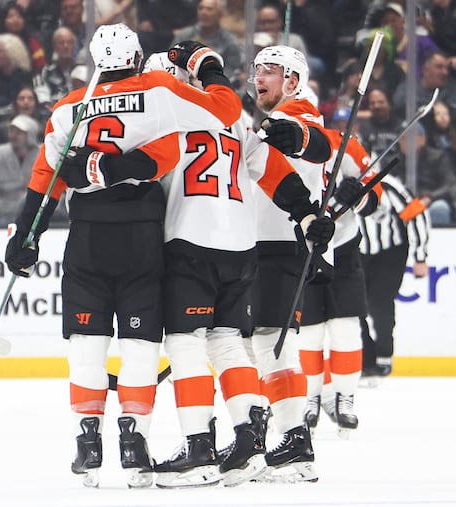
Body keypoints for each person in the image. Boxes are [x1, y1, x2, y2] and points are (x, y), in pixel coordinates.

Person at [2, 23, 243, 489]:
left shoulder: (69, 105)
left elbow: (45, 178)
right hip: (142, 239)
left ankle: (87, 443)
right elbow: (221, 113)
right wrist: (206, 64)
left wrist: (25, 238)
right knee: (139, 348)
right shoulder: (158, 87)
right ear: (136, 57)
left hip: (88, 237)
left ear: (95, 60)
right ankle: (134, 446)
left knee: (86, 346)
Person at [81, 51, 335, 488]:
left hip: (190, 243)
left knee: (184, 343)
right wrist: (309, 214)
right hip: (240, 248)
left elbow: (140, 175)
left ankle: (198, 449)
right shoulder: (234, 117)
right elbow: (273, 170)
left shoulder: (166, 117)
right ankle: (248, 441)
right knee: (228, 342)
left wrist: (93, 168)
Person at [248, 44, 335, 483]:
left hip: (282, 243)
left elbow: (309, 140)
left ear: (294, 81)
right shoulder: (273, 118)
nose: (259, 77)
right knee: (253, 345)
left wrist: (290, 136)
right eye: (257, 69)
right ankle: (267, 433)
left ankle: (296, 443)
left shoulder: (297, 112)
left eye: (270, 70)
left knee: (269, 344)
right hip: (264, 244)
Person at [298, 132, 380, 439]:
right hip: (303, 249)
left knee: (346, 327)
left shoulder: (340, 142)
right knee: (309, 332)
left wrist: (356, 195)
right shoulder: (278, 136)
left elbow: (374, 194)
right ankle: (311, 397)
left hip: (343, 248)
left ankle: (345, 398)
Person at [359, 173, 430, 380]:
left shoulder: (388, 185)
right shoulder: (337, 183)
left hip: (390, 253)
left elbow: (416, 214)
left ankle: (383, 355)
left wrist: (420, 256)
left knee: (380, 303)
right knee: (355, 307)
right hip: (356, 254)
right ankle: (366, 358)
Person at [171, 0, 244, 85]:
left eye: (209, 9)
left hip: (215, 85)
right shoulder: (184, 35)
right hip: (183, 84)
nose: (204, 12)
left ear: (220, 14)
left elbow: (231, 69)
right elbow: (171, 59)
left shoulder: (229, 41)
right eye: (201, 8)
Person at [0, 114, 40, 216]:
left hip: (35, 211)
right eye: (11, 131)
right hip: (2, 212)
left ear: (30, 135)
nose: (13, 135)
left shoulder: (42, 153)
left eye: (18, 132)